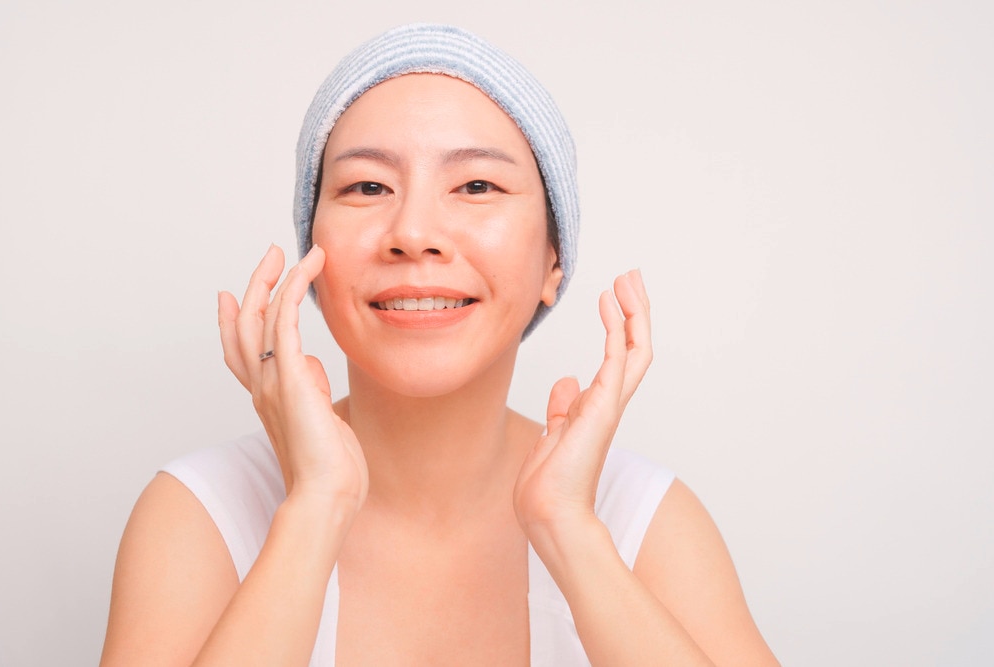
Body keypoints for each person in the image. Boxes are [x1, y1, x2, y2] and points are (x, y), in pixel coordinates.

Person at [100, 23, 778, 666]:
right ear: (313, 256)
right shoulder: (199, 514)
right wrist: (317, 506)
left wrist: (569, 531)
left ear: (553, 260)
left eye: (477, 185)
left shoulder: (646, 521)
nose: (414, 232)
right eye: (368, 186)